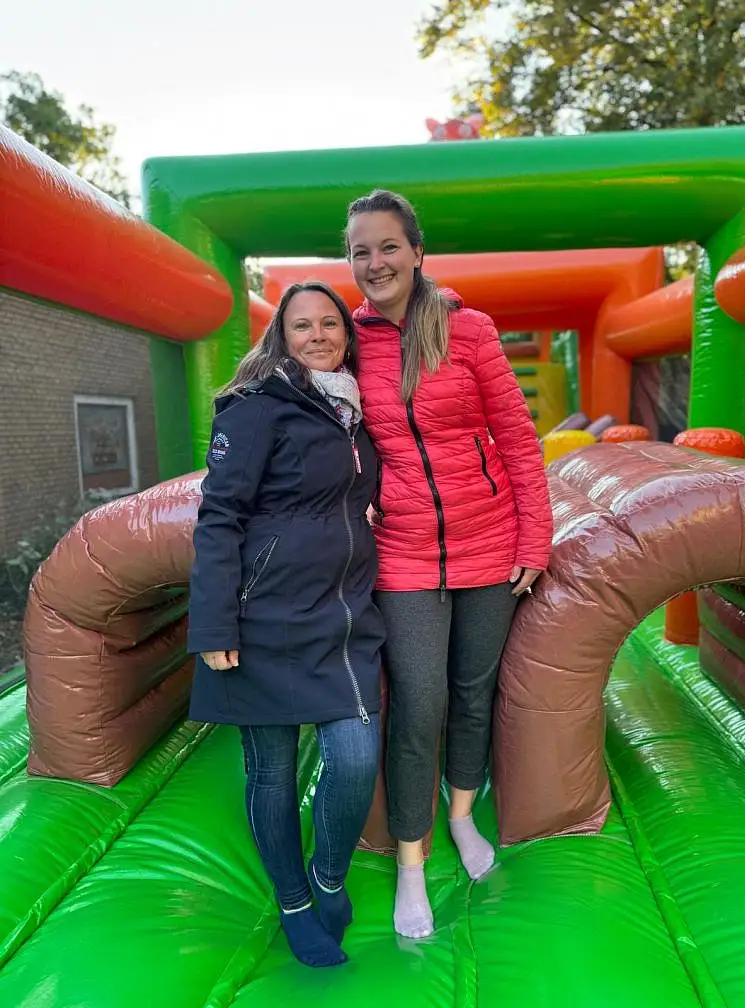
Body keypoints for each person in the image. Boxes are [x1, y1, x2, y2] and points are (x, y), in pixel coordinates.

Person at [344, 190, 553, 939]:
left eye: (387, 246)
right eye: (360, 251)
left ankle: (462, 815)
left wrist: (535, 540)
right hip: (402, 552)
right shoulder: (347, 340)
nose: (374, 263)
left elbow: (520, 440)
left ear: (417, 251)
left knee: (473, 691)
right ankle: (410, 861)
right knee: (419, 703)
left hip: (490, 541)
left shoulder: (469, 330)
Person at [186, 282, 385, 969]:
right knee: (270, 772)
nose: (319, 334)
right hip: (263, 616)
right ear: (282, 336)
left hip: (343, 616)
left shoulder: (352, 409)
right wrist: (213, 626)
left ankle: (330, 875)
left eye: (330, 323)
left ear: (346, 333)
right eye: (302, 325)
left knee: (356, 759)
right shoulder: (255, 408)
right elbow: (219, 519)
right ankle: (296, 901)